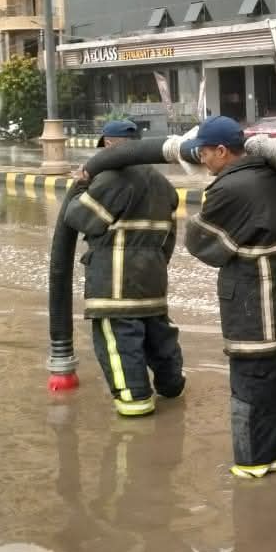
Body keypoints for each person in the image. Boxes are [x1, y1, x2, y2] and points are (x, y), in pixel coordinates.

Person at [181, 116, 276, 479]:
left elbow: (202, 244)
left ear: (222, 151)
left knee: (252, 389)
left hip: (256, 313)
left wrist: (196, 217)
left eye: (205, 153)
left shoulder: (230, 189)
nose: (202, 159)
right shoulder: (273, 175)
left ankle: (254, 468)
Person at [64, 119, 185, 416]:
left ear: (107, 144)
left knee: (119, 342)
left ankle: (135, 401)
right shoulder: (162, 184)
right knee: (158, 334)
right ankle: (172, 385)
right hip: (153, 279)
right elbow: (169, 239)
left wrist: (81, 186)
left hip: (114, 284)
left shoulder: (111, 180)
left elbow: (79, 218)